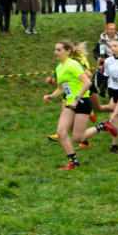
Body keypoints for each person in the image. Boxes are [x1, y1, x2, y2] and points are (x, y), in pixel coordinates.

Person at [45, 40, 96, 169]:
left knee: (78, 138)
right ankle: (73, 163)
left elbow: (87, 82)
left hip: (82, 101)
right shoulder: (59, 67)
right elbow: (61, 88)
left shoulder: (73, 64)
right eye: (55, 49)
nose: (55, 52)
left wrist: (76, 99)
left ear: (68, 51)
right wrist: (50, 96)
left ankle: (103, 125)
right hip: (70, 103)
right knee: (61, 132)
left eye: (59, 50)